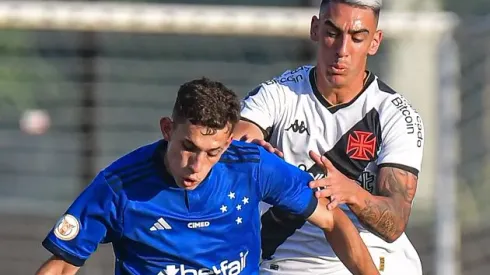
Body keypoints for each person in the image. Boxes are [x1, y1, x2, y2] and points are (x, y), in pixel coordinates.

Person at [36, 78, 379, 275]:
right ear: (167, 129)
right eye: (189, 147)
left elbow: (332, 219)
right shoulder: (120, 186)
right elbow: (64, 265)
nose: (197, 165)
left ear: (228, 143)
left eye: (213, 152)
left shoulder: (253, 165)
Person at [234, 0, 425, 275]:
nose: (342, 50)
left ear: (375, 42)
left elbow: (395, 222)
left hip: (374, 261)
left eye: (357, 38)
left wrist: (353, 194)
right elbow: (241, 135)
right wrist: (249, 149)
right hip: (285, 263)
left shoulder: (396, 115)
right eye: (332, 33)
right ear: (315, 29)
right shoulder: (278, 94)